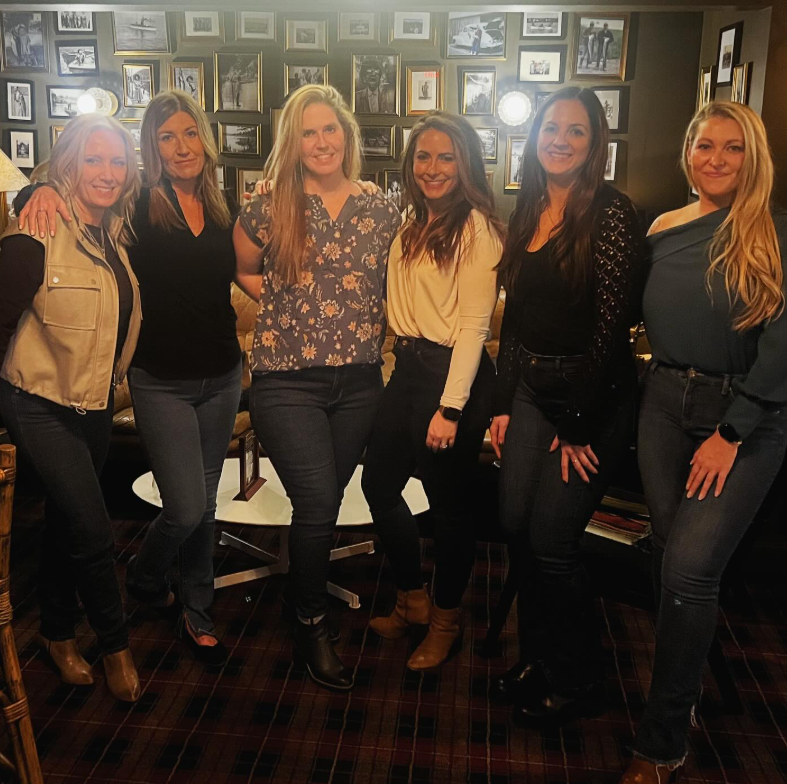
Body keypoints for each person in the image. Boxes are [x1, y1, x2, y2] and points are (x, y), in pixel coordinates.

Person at [18, 91, 242, 669]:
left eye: (190, 132)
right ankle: (143, 578)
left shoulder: (225, 205)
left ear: (205, 139)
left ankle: (197, 609)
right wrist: (34, 187)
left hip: (222, 376)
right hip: (159, 380)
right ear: (152, 148)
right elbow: (68, 192)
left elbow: (249, 272)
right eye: (166, 137)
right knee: (187, 507)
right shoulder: (136, 205)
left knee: (207, 505)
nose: (181, 146)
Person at [618, 102, 787, 784]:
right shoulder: (663, 227)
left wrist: (731, 432)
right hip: (662, 402)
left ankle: (660, 739)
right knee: (668, 556)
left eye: (731, 148)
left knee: (690, 568)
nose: (714, 159)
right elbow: (621, 312)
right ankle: (682, 688)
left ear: (753, 158)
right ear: (686, 151)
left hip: (743, 416)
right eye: (702, 145)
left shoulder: (778, 233)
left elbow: (784, 348)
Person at [233, 84, 400, 691]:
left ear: (348, 137)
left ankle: (301, 600)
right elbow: (247, 271)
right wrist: (289, 312)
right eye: (308, 132)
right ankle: (310, 620)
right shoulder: (266, 205)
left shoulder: (380, 206)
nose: (321, 141)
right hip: (286, 382)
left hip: (358, 382)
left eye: (330, 129)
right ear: (293, 142)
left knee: (329, 496)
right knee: (319, 500)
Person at [488, 86, 642, 726]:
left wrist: (578, 424)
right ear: (535, 138)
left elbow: (614, 331)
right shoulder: (525, 209)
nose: (560, 140)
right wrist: (502, 403)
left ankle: (579, 680)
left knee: (552, 543)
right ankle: (538, 659)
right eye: (552, 128)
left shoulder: (612, 213)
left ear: (594, 144)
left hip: (592, 397)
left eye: (576, 131)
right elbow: (517, 322)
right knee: (515, 528)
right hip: (529, 388)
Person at [0, 114, 142, 701]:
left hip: (93, 405)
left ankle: (57, 634)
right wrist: (35, 192)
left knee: (64, 521)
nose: (106, 173)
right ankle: (116, 646)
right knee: (91, 527)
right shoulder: (37, 228)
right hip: (38, 401)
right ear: (67, 165)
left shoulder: (115, 235)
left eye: (116, 161)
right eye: (92, 160)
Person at [361, 112, 505, 670]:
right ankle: (412, 599)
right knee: (378, 484)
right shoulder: (407, 221)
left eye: (446, 157)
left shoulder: (477, 229)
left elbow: (474, 327)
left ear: (465, 162)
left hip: (453, 380)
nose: (433, 167)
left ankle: (446, 619)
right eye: (423, 156)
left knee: (449, 511)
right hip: (409, 369)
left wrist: (451, 407)